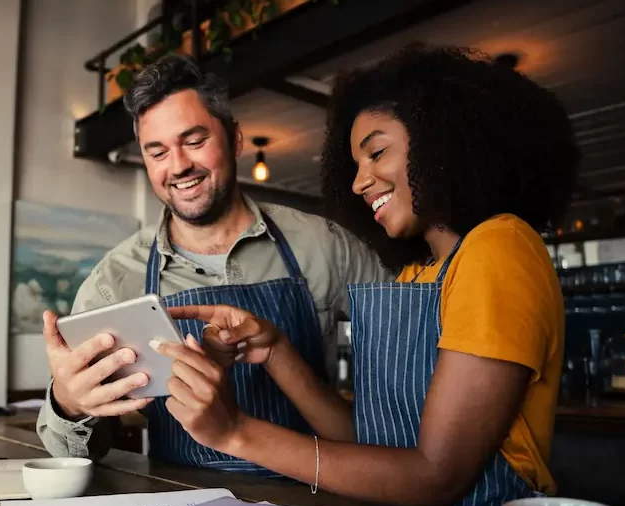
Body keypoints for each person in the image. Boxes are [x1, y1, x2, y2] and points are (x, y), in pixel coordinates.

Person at [150, 44, 580, 506]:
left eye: (376, 152)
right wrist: (276, 351)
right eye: (355, 165)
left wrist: (234, 432)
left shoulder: (499, 248)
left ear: (444, 140)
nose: (359, 182)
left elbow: (436, 476)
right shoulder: (421, 274)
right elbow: (371, 445)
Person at [36, 54, 393, 475]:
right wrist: (69, 404)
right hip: (179, 505)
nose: (179, 166)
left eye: (194, 140)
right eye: (157, 151)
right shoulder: (114, 281)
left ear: (235, 138)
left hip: (324, 497)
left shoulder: (326, 245)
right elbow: (74, 457)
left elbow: (406, 373)